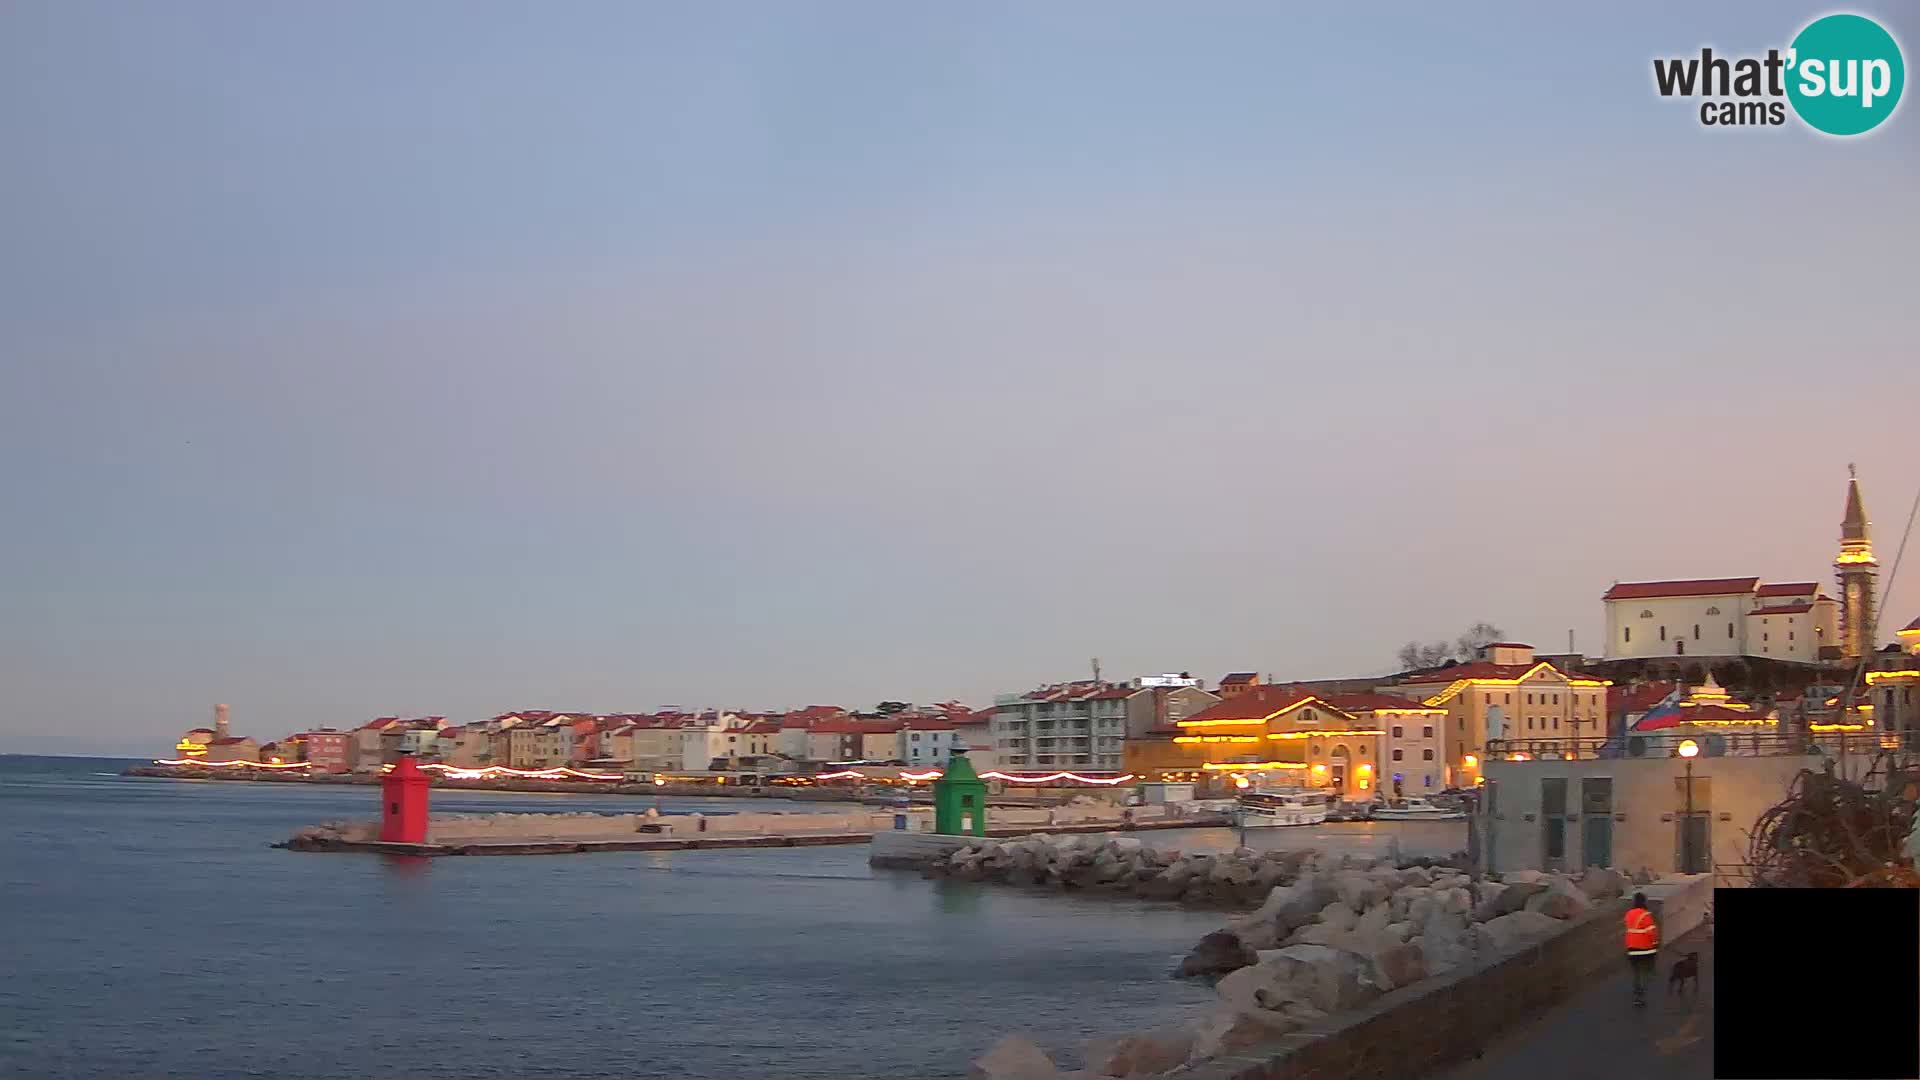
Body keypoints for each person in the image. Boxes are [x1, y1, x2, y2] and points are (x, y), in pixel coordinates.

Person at [1624, 892, 1660, 1006]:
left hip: (1631, 948)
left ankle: (1637, 994)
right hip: (1646, 949)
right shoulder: (1646, 915)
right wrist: (1656, 943)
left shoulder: (1629, 914)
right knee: (1646, 972)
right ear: (1644, 901)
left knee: (1636, 972)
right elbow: (1652, 932)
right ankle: (1641, 996)